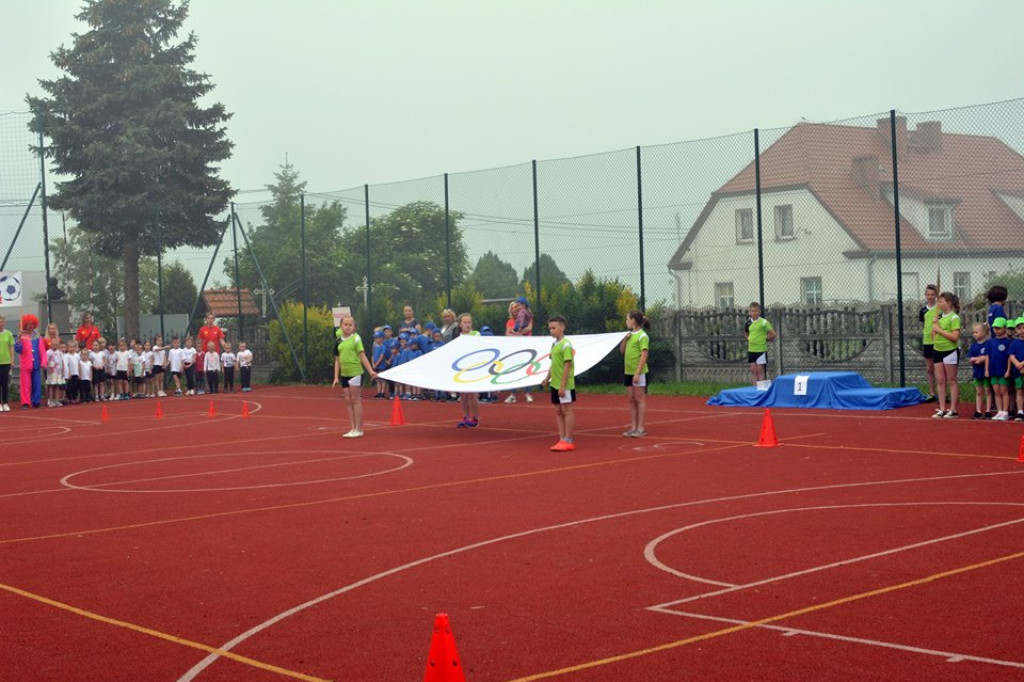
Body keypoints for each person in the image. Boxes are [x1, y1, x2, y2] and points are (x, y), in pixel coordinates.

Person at [332, 315, 377, 438]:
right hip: (344, 374)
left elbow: (362, 356)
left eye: (350, 325)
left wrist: (370, 371)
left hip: (355, 372)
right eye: (345, 324)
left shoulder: (356, 339)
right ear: (341, 326)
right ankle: (352, 428)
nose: (348, 327)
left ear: (354, 327)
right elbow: (337, 360)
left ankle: (359, 429)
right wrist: (336, 377)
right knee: (348, 401)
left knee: (355, 399)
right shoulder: (338, 341)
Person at [541, 314, 575, 451]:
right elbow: (554, 364)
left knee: (567, 411)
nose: (551, 331)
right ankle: (561, 438)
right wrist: (547, 378)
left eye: (554, 328)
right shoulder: (554, 344)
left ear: (562, 327)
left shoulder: (566, 345)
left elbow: (567, 365)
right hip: (555, 383)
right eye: (550, 328)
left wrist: (562, 386)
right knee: (558, 411)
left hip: (564, 384)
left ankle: (568, 439)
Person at [620, 309, 651, 437]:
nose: (626, 321)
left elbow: (644, 355)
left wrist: (637, 373)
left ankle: (641, 428)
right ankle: (633, 427)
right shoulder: (629, 335)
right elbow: (622, 351)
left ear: (633, 320)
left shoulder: (642, 336)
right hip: (628, 371)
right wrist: (624, 340)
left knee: (639, 398)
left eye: (627, 318)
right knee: (631, 399)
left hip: (639, 372)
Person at [930, 291, 961, 419]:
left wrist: (939, 330)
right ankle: (942, 409)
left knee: (951, 380)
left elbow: (955, 337)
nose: (938, 304)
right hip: (937, 350)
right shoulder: (939, 317)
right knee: (940, 380)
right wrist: (935, 325)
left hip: (950, 351)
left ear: (948, 303)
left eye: (941, 301)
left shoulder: (954, 318)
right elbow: (933, 337)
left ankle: (953, 409)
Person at [455, 313, 480, 427]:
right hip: (462, 369)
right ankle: (466, 416)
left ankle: (475, 418)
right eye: (465, 322)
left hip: (473, 367)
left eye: (469, 322)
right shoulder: (458, 338)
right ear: (460, 324)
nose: (467, 324)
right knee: (463, 395)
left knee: (472, 394)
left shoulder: (476, 334)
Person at [15, 315, 44, 409]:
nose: (30, 326)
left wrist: (43, 362)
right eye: (28, 324)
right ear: (24, 325)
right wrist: (19, 340)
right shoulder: (21, 336)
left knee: (37, 383)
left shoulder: (37, 336)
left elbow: (42, 350)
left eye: (32, 324)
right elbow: (18, 350)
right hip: (25, 364)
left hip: (36, 364)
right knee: (25, 384)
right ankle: (25, 402)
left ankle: (36, 401)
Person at [744, 302, 776, 385]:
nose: (754, 313)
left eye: (755, 311)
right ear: (749, 312)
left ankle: (761, 389)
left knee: (760, 370)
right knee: (753, 369)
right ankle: (754, 389)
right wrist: (750, 339)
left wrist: (764, 339)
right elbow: (746, 334)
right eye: (752, 311)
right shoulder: (748, 323)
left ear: (759, 312)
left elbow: (773, 334)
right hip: (751, 350)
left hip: (761, 350)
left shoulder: (764, 322)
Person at [987, 318, 1011, 421]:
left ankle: (1005, 412)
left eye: (998, 328)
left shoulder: (1008, 342)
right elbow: (988, 356)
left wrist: (1008, 370)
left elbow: (1010, 357)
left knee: (1004, 391)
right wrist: (987, 369)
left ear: (1004, 328)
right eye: (994, 328)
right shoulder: (991, 342)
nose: (996, 330)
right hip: (993, 371)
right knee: (996, 392)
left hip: (1003, 371)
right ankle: (999, 411)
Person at [919, 284, 939, 402]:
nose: (930, 297)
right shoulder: (923, 310)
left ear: (936, 295)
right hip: (927, 341)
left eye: (932, 294)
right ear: (925, 295)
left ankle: (941, 393)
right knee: (930, 368)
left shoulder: (939, 309)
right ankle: (932, 393)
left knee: (940, 369)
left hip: (939, 341)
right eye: (928, 294)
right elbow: (924, 325)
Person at [968, 323, 991, 420]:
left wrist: (983, 359)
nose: (974, 334)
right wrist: (979, 358)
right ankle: (978, 410)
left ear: (984, 333)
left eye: (976, 332)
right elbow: (971, 359)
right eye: (973, 332)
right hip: (977, 372)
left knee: (988, 391)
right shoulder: (973, 346)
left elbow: (988, 357)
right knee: (979, 392)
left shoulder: (988, 344)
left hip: (986, 372)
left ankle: (988, 410)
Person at [1010, 319, 1024, 422]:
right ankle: (1020, 411)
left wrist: (1022, 364)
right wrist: (1017, 364)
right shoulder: (1014, 343)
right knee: (1019, 391)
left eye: (1023, 328)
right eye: (1019, 328)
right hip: (1018, 372)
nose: (1022, 330)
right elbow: (1011, 356)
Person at [45, 339, 65, 408]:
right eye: (53, 344)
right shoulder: (48, 352)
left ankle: (57, 400)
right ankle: (51, 400)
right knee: (51, 386)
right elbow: (46, 362)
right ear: (50, 344)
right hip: (51, 372)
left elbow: (62, 362)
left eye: (56, 345)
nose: (55, 346)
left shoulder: (59, 352)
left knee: (57, 386)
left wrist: (63, 371)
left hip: (58, 372)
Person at [0, 314, 13, 412]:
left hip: (6, 362)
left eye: (2, 321)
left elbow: (11, 348)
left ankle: (5, 403)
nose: (1, 323)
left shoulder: (9, 334)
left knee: (5, 384)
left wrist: (12, 360)